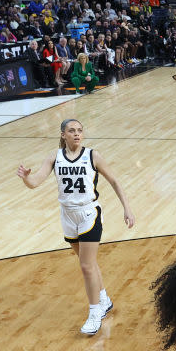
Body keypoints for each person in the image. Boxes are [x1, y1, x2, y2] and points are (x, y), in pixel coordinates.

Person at [15, 119, 135, 335]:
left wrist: (127, 208)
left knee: (86, 266)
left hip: (89, 213)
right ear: (63, 134)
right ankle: (104, 299)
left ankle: (94, 312)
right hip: (67, 215)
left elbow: (115, 182)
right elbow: (35, 182)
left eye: (80, 130)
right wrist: (25, 178)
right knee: (88, 263)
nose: (77, 134)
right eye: (72, 131)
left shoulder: (93, 156)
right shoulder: (54, 157)